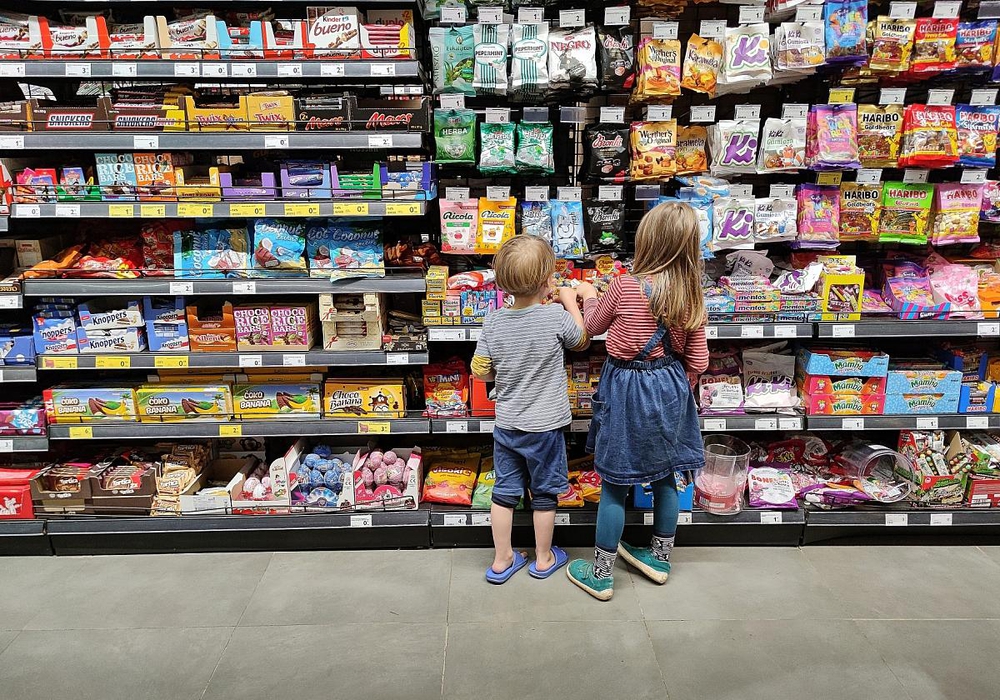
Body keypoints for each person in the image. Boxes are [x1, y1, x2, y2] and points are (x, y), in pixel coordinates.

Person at [565, 201, 709, 601]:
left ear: (646, 241)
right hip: (671, 385)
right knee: (666, 474)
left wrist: (585, 295)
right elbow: (699, 360)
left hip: (626, 387)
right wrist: (677, 382)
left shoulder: (624, 285)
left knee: (615, 482)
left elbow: (591, 327)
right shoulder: (691, 293)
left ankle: (600, 574)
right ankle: (659, 559)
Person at [472, 234, 589, 584]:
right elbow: (580, 340)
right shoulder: (554, 316)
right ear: (546, 282)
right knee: (544, 494)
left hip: (508, 425)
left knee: (504, 492)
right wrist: (569, 302)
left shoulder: (493, 321)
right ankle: (543, 558)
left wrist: (505, 370)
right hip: (546, 428)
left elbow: (480, 370)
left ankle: (502, 560)